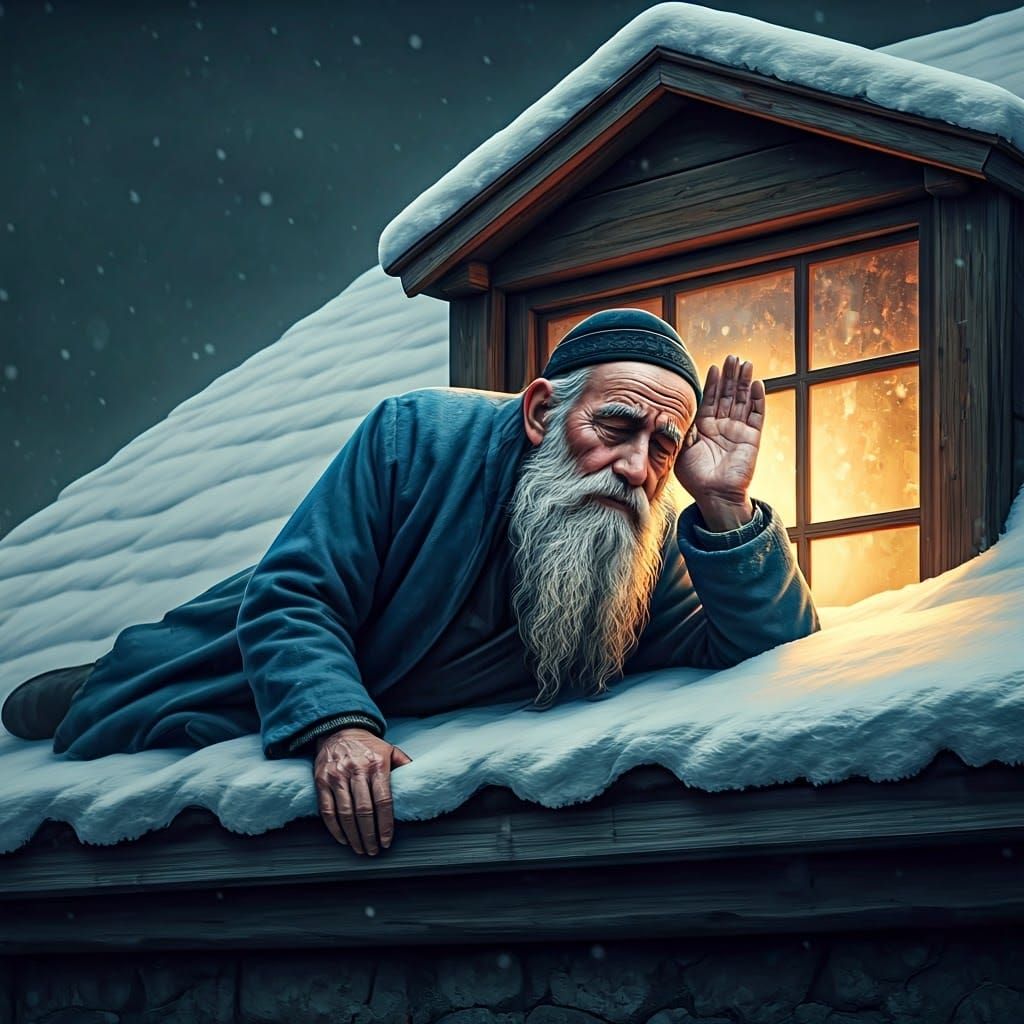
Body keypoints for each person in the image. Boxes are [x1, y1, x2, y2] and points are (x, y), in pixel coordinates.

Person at [2, 308, 819, 857]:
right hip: (240, 665)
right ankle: (82, 681)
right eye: (614, 427)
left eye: (664, 448)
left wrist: (724, 505)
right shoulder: (415, 436)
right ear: (541, 411)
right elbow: (295, 593)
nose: (635, 466)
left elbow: (768, 647)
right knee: (98, 694)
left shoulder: (645, 543)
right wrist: (339, 724)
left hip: (384, 688)